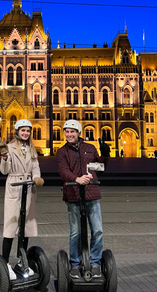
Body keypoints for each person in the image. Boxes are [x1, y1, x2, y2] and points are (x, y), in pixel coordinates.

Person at [56, 119, 110, 279]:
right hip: (73, 193)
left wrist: (105, 155)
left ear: (79, 133)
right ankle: (74, 263)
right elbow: (63, 170)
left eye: (72, 132)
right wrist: (76, 178)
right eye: (67, 132)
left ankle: (95, 263)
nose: (69, 134)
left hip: (91, 193)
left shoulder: (90, 148)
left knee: (98, 230)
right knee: (75, 233)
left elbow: (100, 168)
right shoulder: (62, 151)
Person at [0, 119, 45, 280]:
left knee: (26, 226)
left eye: (28, 131)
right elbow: (4, 171)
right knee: (11, 225)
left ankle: (21, 261)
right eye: (23, 130)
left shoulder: (31, 148)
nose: (25, 133)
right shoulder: (9, 148)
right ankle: (5, 263)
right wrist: (4, 158)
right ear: (17, 131)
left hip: (28, 187)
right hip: (14, 186)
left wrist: (37, 177)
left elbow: (36, 166)